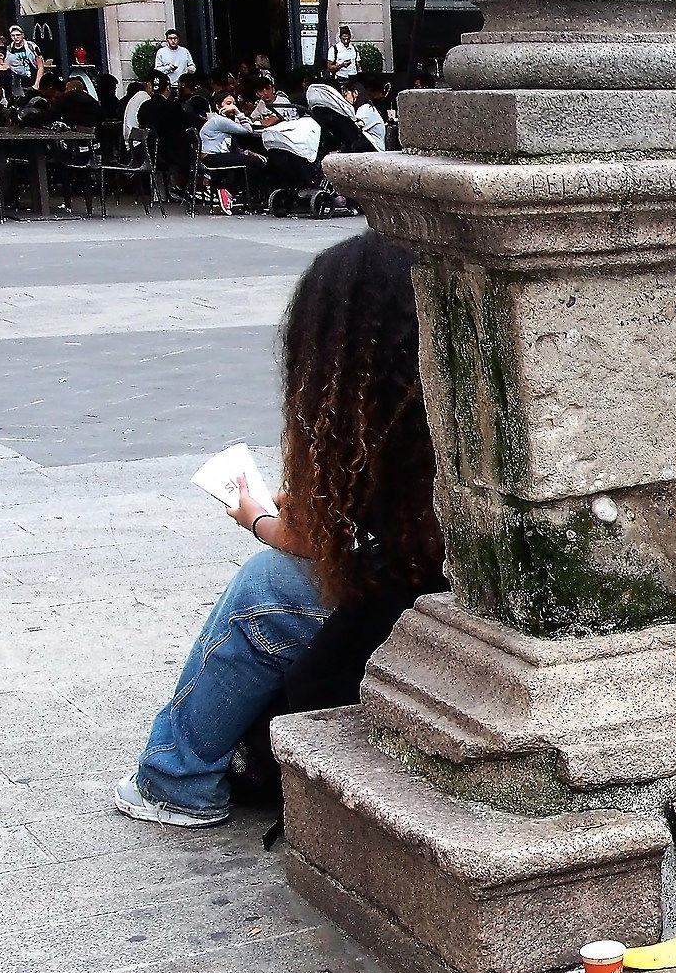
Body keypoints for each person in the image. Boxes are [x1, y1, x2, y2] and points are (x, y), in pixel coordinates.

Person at [116, 233, 447, 828]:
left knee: (270, 587)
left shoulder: (378, 417)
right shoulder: (446, 403)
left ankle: (176, 779)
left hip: (401, 614)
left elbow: (324, 547)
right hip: (439, 590)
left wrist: (262, 521)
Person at [350, 77, 389, 152]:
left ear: (355, 93)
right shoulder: (365, 107)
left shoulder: (366, 108)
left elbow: (355, 127)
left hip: (375, 149)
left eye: (346, 93)